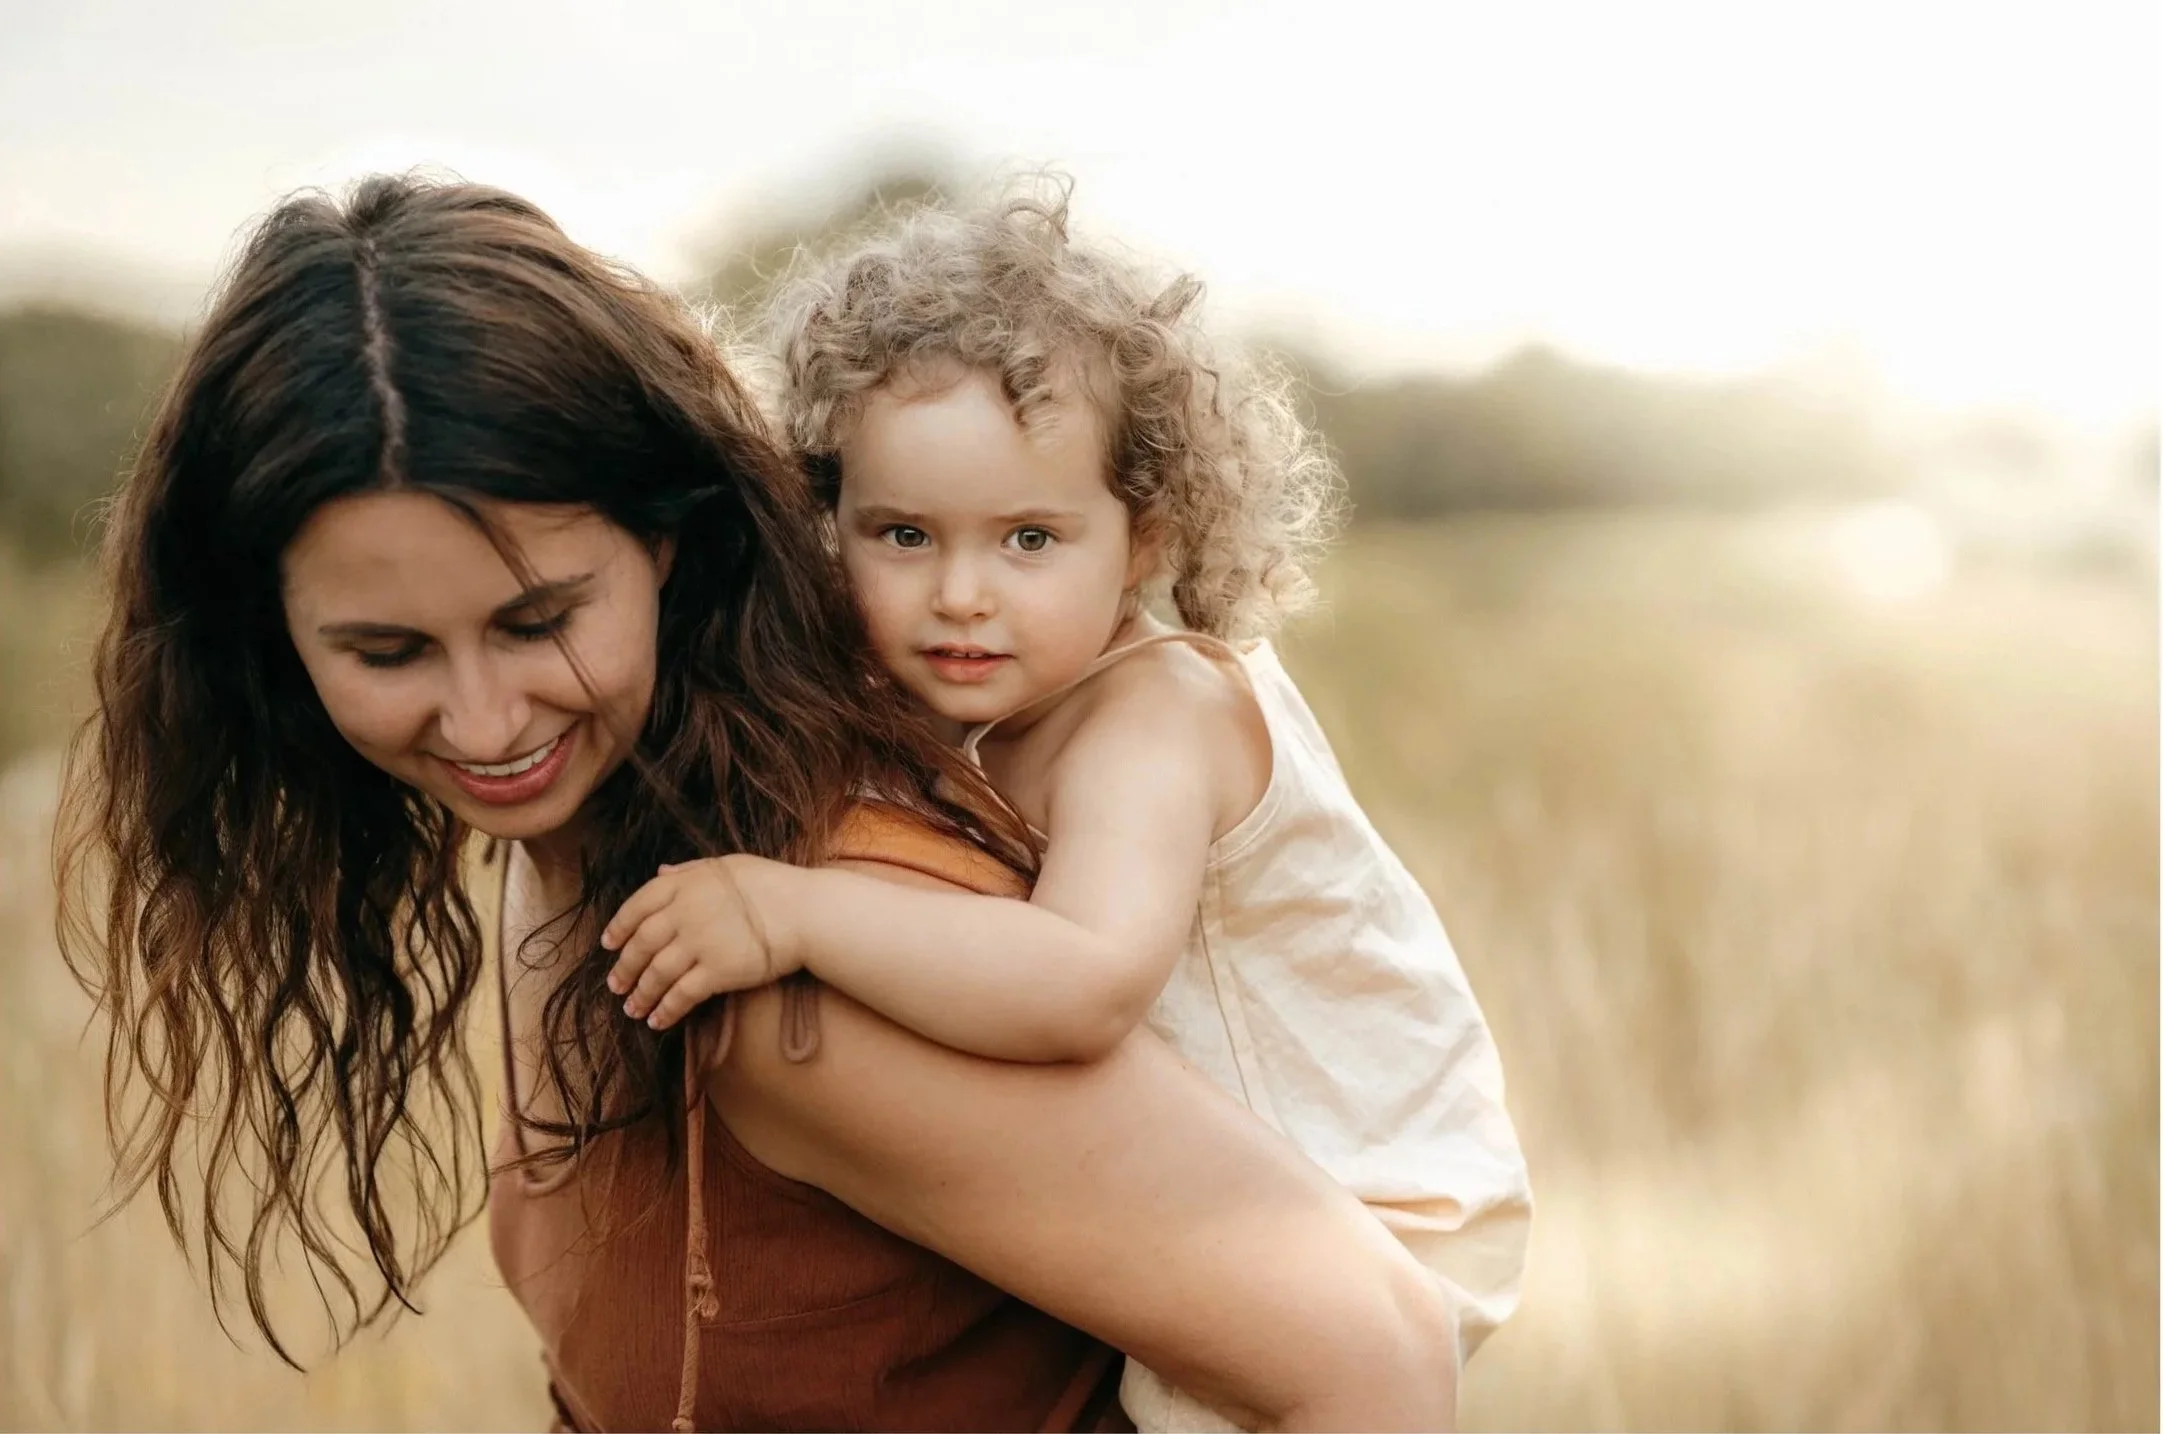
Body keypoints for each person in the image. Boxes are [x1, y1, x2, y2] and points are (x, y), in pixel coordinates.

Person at [54, 173, 1464, 1432]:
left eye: (539, 620)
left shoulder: (800, 960)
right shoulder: (581, 825)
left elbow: (1374, 1364)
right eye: (386, 650)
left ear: (668, 543)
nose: (483, 724)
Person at [597, 183, 1534, 1431]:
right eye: (903, 535)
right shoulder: (992, 685)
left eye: (1030, 539)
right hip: (1235, 1214)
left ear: (1143, 541)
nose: (963, 595)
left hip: (1374, 1225)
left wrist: (790, 916)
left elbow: (1080, 981)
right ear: (832, 522)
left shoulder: (1152, 719)